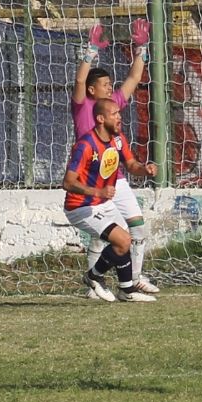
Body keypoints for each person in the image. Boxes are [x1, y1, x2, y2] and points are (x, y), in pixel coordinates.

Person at [73, 19, 159, 301]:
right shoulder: (82, 106)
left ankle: (133, 279)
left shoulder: (112, 106)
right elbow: (79, 80)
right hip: (91, 181)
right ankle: (94, 285)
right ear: (91, 90)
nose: (110, 88)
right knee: (105, 235)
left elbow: (133, 79)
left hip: (116, 179)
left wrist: (141, 49)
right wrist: (91, 51)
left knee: (136, 227)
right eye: (105, 85)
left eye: (111, 84)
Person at [63, 98, 158, 302]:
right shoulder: (85, 145)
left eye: (119, 113)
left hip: (101, 203)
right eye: (114, 114)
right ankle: (93, 276)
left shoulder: (118, 139)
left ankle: (126, 290)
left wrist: (145, 169)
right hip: (80, 206)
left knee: (124, 242)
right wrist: (97, 192)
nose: (119, 117)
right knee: (122, 240)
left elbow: (131, 164)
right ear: (100, 119)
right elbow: (68, 182)